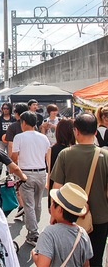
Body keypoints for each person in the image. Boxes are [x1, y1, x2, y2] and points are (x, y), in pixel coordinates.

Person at [51, 113, 108, 266]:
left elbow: (57, 188)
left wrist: (53, 213)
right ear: (96, 132)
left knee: (70, 259)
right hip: (100, 218)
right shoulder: (106, 155)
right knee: (95, 259)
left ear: (75, 131)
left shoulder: (65, 154)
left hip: (69, 217)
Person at [11, 111, 50, 246]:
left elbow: (14, 157)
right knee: (37, 204)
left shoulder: (19, 137)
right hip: (41, 172)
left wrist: (15, 168)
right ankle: (34, 229)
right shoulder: (43, 138)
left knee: (29, 205)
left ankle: (33, 234)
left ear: (24, 122)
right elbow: (46, 156)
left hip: (25, 173)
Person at [32, 183, 93, 267]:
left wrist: (34, 254)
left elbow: (43, 265)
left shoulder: (48, 233)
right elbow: (86, 264)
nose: (51, 205)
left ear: (59, 210)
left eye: (53, 203)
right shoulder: (83, 233)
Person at [5, 102, 28, 217]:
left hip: (17, 159)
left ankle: (22, 205)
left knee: (17, 184)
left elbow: (10, 145)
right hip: (31, 161)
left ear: (17, 114)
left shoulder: (13, 127)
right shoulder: (32, 126)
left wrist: (10, 163)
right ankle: (25, 205)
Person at [47, 119, 75, 209]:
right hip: (74, 191)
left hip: (56, 192)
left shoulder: (52, 149)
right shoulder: (76, 149)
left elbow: (50, 174)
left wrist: (50, 201)